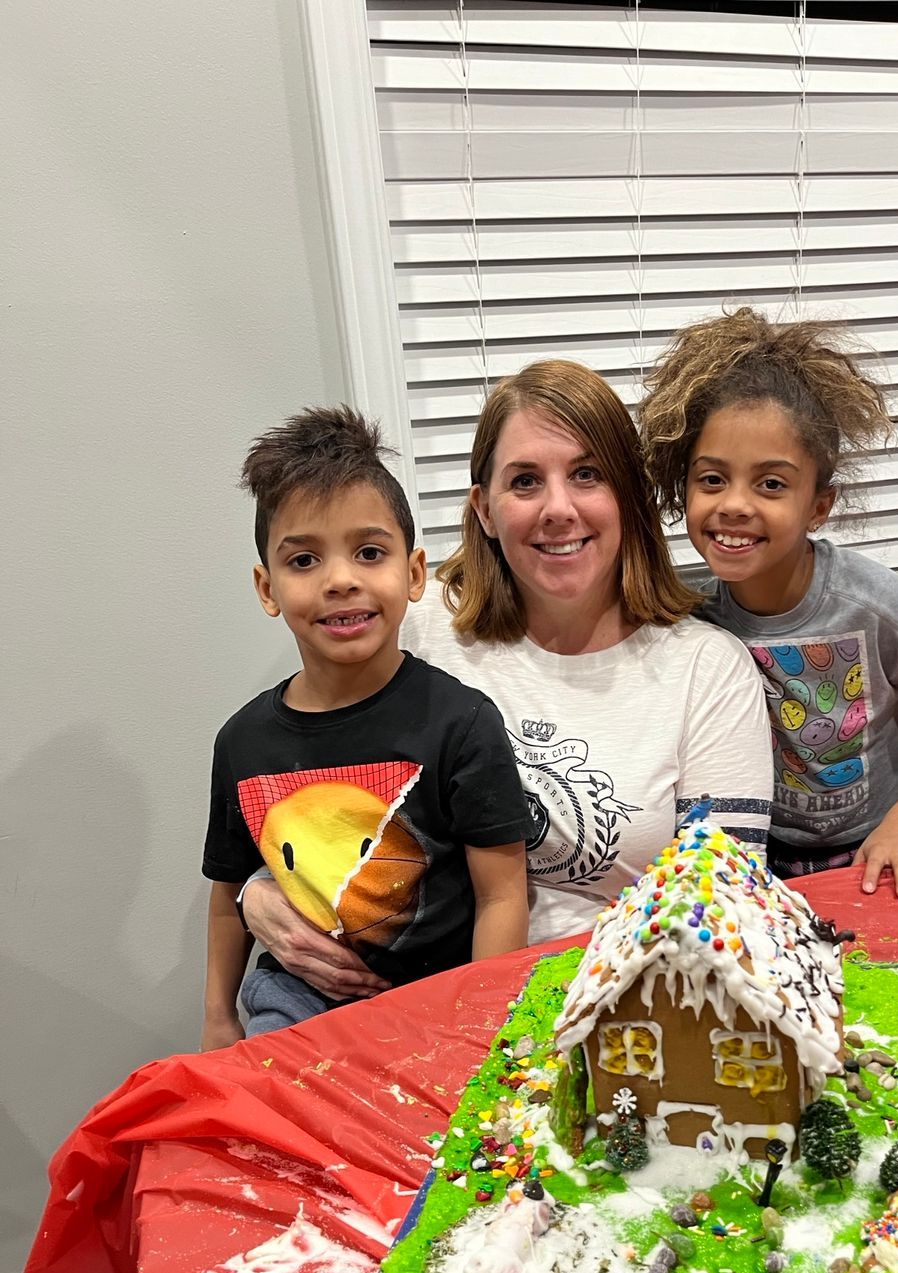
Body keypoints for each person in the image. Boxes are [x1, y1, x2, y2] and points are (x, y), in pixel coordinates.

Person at [240, 362, 774, 997]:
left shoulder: (706, 671)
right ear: (484, 510)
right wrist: (255, 892)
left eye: (587, 475)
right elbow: (303, 778)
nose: (558, 508)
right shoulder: (414, 624)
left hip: (617, 998)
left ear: (628, 498)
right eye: (525, 481)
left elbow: (723, 903)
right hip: (400, 990)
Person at [201, 407, 532, 1049]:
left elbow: (501, 897)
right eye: (304, 561)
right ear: (267, 588)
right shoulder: (241, 742)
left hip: (438, 1004)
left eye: (369, 552)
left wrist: (486, 1024)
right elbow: (227, 897)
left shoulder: (462, 723)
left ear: (413, 575)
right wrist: (218, 1020)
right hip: (291, 1003)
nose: (341, 579)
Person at [639, 307, 898, 898]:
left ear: (819, 506)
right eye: (711, 479)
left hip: (877, 856)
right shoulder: (684, 609)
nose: (734, 504)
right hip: (754, 865)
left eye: (771, 483)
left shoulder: (878, 605)